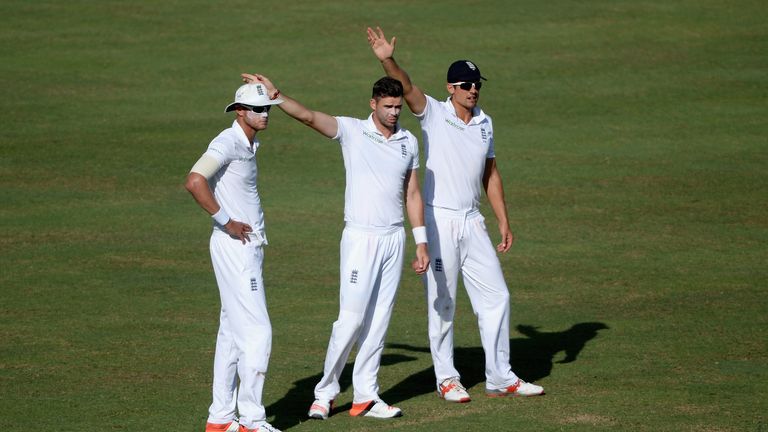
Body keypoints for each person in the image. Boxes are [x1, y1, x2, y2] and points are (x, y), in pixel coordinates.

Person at [367, 26, 545, 402]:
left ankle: (500, 376)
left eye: (476, 83)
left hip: (472, 220)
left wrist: (503, 220)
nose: (472, 89)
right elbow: (407, 85)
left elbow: (490, 173)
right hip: (439, 219)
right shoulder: (433, 113)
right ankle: (447, 378)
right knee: (443, 301)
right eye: (465, 84)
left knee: (497, 296)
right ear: (451, 88)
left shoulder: (485, 122)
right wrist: (386, 57)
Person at [240, 72, 429, 420]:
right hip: (360, 238)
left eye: (398, 107)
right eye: (387, 106)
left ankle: (365, 396)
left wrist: (421, 242)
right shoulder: (352, 131)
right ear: (373, 104)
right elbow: (310, 117)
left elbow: (412, 193)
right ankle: (324, 393)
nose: (393, 113)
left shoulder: (408, 141)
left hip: (393, 239)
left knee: (379, 322)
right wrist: (277, 95)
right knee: (351, 320)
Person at [185, 83, 284, 432]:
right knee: (258, 333)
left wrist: (275, 93)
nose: (265, 114)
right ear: (239, 111)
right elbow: (195, 180)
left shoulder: (248, 142)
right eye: (259, 109)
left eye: (267, 109)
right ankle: (252, 421)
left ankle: (220, 418)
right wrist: (226, 221)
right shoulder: (226, 143)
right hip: (236, 249)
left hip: (243, 248)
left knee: (231, 332)